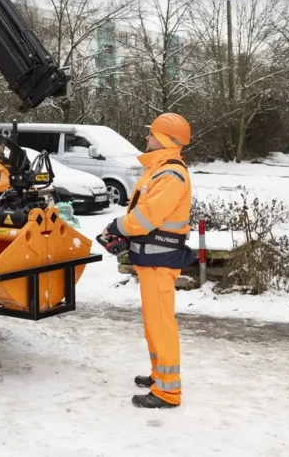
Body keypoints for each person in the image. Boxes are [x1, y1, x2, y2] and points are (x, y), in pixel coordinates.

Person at [99, 113, 196, 409]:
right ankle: (159, 377)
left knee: (160, 324)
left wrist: (117, 227)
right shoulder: (160, 169)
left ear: (165, 139)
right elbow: (147, 216)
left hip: (159, 261)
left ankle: (167, 392)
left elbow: (146, 217)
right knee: (153, 324)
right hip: (153, 259)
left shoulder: (169, 174)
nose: (147, 138)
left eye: (152, 134)